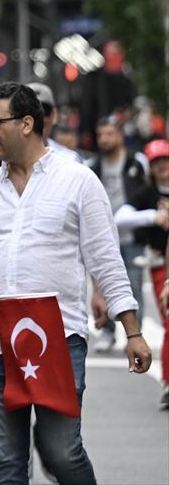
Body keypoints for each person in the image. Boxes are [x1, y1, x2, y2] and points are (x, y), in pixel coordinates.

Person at [0, 82, 152, 485]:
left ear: (27, 123)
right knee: (6, 465)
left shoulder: (78, 180)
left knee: (62, 453)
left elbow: (107, 261)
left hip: (58, 339)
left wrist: (133, 332)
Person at [89, 117, 148, 346]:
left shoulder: (136, 162)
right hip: (103, 237)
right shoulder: (92, 167)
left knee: (134, 287)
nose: (104, 139)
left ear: (120, 136)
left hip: (132, 235)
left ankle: (134, 335)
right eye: (100, 135)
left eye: (109, 134)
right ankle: (108, 332)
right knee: (104, 285)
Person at [124, 139, 169, 410]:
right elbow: (120, 217)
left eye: (166, 159)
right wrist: (153, 216)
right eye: (157, 162)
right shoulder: (147, 193)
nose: (163, 166)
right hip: (161, 264)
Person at [26, 82, 79, 162]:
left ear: (54, 115)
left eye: (44, 110)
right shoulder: (8, 159)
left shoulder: (70, 159)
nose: (39, 118)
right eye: (31, 111)